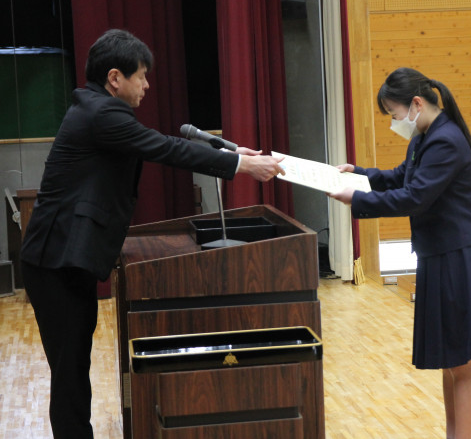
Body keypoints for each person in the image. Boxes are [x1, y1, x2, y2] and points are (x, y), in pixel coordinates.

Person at [19, 29, 285, 439]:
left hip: (61, 259)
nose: (146, 85)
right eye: (141, 76)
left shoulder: (96, 108)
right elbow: (165, 148)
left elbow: (164, 143)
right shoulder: (102, 115)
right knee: (69, 368)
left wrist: (230, 153)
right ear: (114, 78)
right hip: (55, 261)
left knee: (73, 364)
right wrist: (241, 167)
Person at [329, 67, 471, 439]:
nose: (395, 122)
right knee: (451, 363)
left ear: (416, 103)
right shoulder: (425, 135)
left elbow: (415, 197)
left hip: (463, 260)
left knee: (464, 366)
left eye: (394, 113)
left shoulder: (445, 140)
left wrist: (358, 198)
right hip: (441, 257)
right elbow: (402, 176)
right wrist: (358, 174)